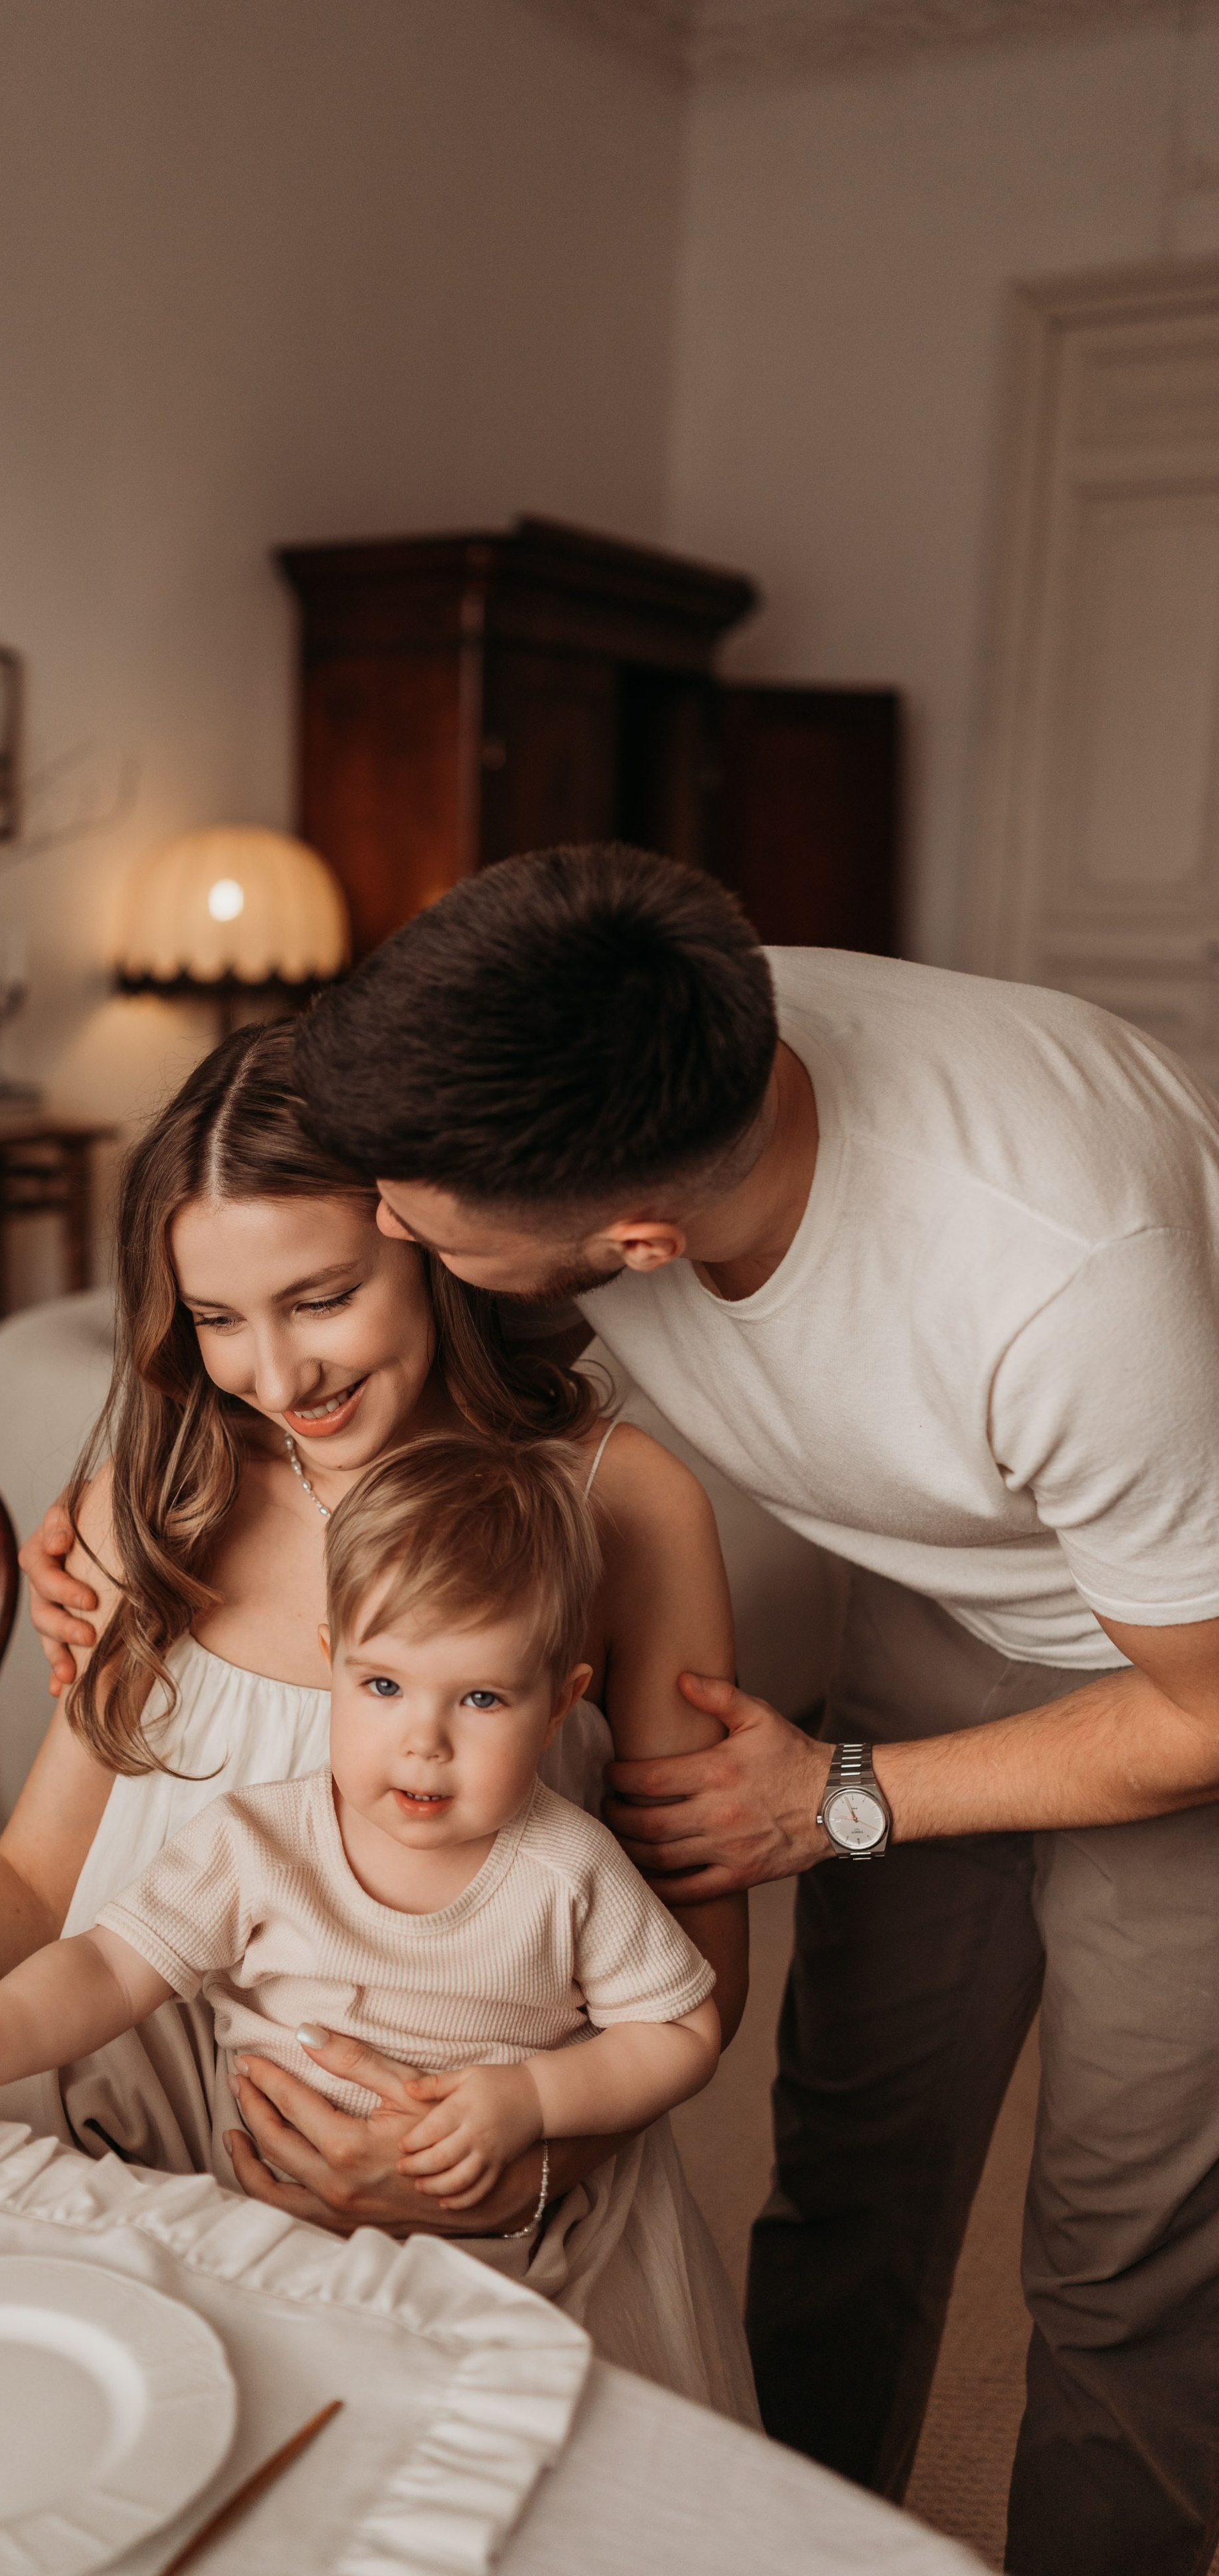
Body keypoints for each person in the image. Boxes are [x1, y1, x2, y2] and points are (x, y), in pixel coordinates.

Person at [252, 839, 1219, 2576]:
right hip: (954, 1585)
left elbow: (1211, 1707)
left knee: (1121, 2252)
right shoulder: (634, 1040)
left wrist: (843, 1798)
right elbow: (298, 1311)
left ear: (638, 1243)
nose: (389, 1228)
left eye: (429, 1211)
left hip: (1192, 1659)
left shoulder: (1064, 1271)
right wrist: (128, 1517)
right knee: (853, 2154)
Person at [0, 1018, 755, 2414]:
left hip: (496, 2207)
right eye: (215, 1318)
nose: (275, 1375)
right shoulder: (157, 1508)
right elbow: (33, 1892)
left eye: (319, 1298)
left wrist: (513, 2160)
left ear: (428, 1244)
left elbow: (697, 1975)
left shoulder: (618, 1503)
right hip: (148, 2160)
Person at [0, 1435, 724, 2349]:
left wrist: (535, 2101)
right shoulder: (259, 1840)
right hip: (238, 2197)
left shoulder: (569, 1870)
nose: (424, 1741)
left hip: (466, 2247)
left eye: (481, 1700)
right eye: (384, 1684)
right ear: (330, 1660)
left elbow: (682, 2030)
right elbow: (105, 1967)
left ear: (560, 1704)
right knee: (95, 2088)